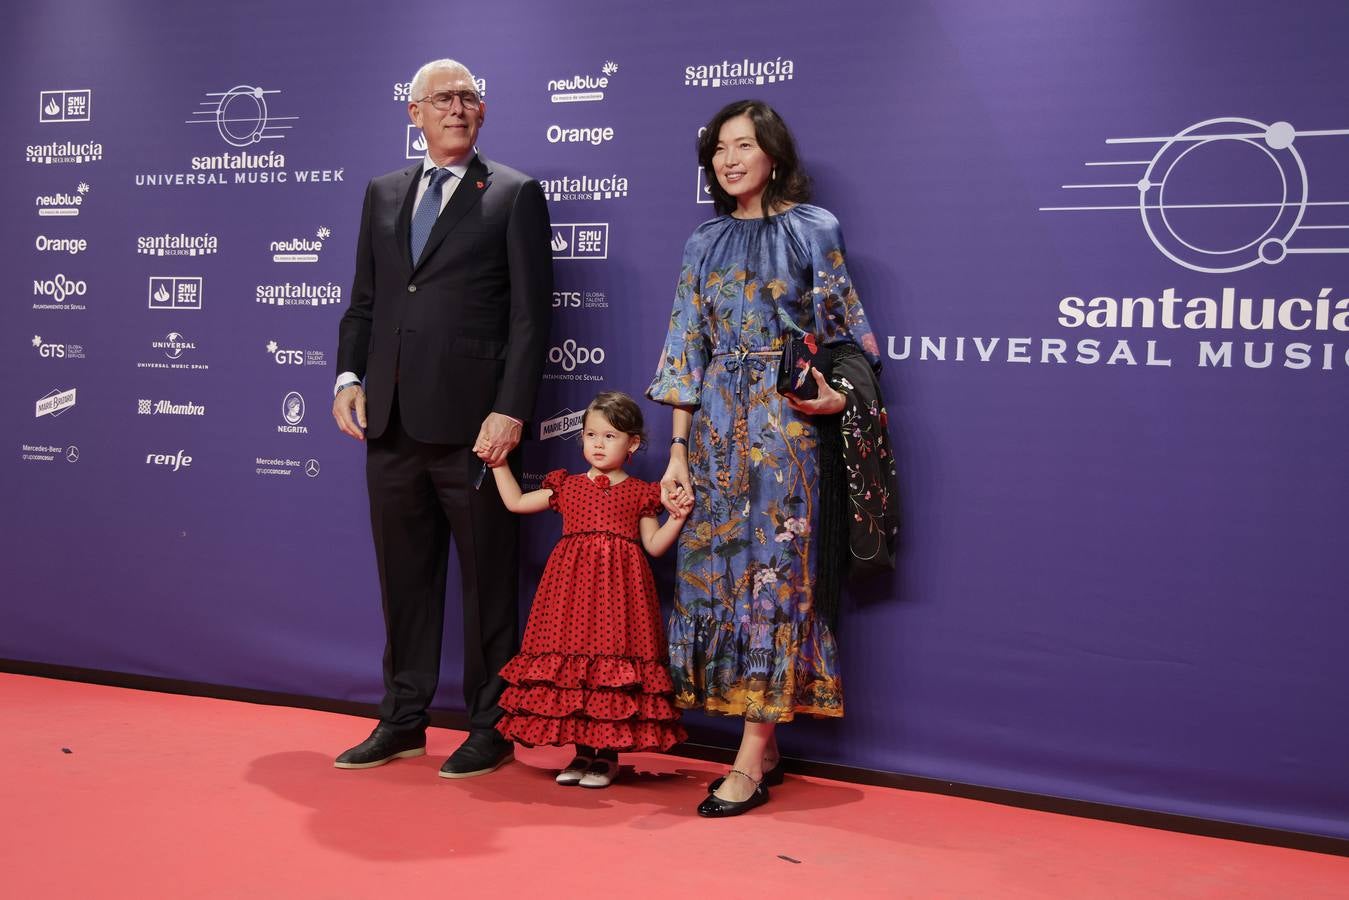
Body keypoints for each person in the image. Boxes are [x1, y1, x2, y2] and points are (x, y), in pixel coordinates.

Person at [648, 99, 880, 817]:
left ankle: (747, 760)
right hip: (714, 428)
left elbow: (848, 337)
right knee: (713, 580)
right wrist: (677, 451)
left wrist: (836, 398)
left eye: (742, 144)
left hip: (784, 434)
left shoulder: (815, 230)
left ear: (772, 153)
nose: (727, 159)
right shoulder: (702, 241)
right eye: (718, 147)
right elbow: (685, 349)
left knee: (773, 586)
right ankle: (765, 743)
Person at [332, 58, 552, 779]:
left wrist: (510, 410)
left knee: (490, 583)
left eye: (467, 97)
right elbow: (366, 301)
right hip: (390, 424)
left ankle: (492, 726)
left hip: (474, 431)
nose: (456, 108)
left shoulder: (513, 193)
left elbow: (529, 319)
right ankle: (401, 720)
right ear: (413, 113)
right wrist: (346, 376)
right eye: (441, 99)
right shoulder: (383, 193)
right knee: (404, 581)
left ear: (482, 112)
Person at [490, 392, 691, 788]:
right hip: (569, 594)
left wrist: (678, 518)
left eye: (610, 436)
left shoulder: (642, 493)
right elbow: (515, 502)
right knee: (573, 670)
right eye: (590, 435)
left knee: (612, 668)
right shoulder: (567, 487)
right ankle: (581, 752)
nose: (598, 444)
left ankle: (607, 756)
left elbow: (653, 546)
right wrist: (498, 464)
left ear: (632, 443)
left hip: (622, 595)